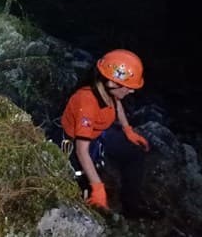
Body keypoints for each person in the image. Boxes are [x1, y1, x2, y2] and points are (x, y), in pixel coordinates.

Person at [59, 49, 152, 218]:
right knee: (84, 191)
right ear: (111, 82)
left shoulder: (109, 91)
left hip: (99, 134)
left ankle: (132, 207)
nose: (132, 91)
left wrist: (127, 130)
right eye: (129, 87)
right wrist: (97, 186)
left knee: (135, 155)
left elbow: (117, 105)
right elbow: (81, 151)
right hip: (77, 145)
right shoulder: (87, 103)